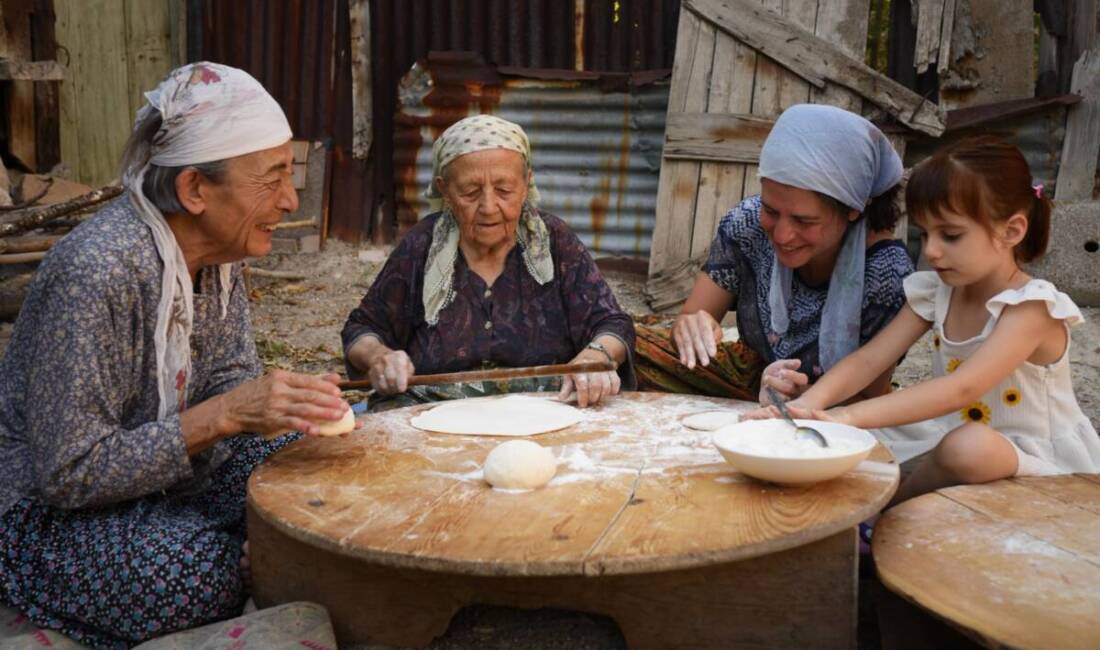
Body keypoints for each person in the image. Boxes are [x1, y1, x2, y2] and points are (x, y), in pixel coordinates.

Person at [0, 63, 350, 648]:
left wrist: (281, 406)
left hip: (165, 479)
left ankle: (223, 538)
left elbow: (233, 375)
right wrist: (227, 416)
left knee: (313, 471)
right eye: (272, 179)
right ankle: (214, 547)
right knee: (191, 575)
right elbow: (68, 473)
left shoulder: (220, 254)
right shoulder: (98, 272)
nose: (290, 200)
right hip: (44, 510)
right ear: (194, 190)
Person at [756, 136, 1100, 505]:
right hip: (951, 430)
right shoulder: (937, 291)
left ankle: (888, 511)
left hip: (1028, 451)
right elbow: (871, 359)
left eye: (951, 235)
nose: (932, 251)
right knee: (869, 440)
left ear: (1011, 231)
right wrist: (809, 408)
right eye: (925, 233)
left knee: (966, 448)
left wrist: (848, 417)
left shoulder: (1031, 307)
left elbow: (961, 390)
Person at [342, 115, 635, 409]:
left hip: (543, 409)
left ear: (526, 183)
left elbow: (612, 323)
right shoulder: (422, 245)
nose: (489, 207)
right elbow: (362, 329)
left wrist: (596, 355)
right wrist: (379, 357)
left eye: (504, 190)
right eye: (470, 192)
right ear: (444, 190)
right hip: (435, 413)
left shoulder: (554, 241)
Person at [639, 104, 915, 403]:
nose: (782, 235)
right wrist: (690, 328)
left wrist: (805, 395)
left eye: (804, 221)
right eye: (770, 210)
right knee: (621, 342)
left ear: (853, 210)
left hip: (827, 408)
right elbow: (692, 319)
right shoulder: (748, 224)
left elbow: (869, 401)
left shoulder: (886, 273)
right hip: (750, 380)